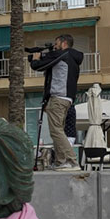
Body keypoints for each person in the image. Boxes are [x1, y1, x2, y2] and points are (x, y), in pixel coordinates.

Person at [29, 34, 83, 171]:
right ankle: (60, 162)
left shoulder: (62, 55)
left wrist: (35, 58)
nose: (55, 46)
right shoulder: (72, 58)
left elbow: (38, 66)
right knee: (58, 130)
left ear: (64, 43)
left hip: (58, 98)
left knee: (56, 131)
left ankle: (71, 161)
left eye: (56, 43)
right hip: (67, 99)